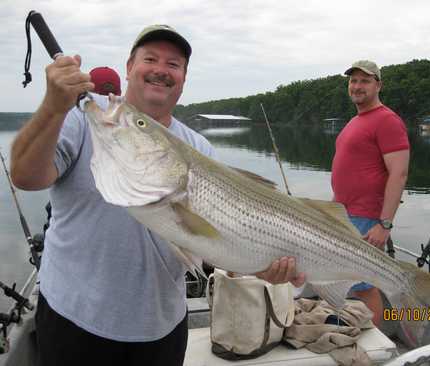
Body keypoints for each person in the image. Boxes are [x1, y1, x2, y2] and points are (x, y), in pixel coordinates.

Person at [10, 24, 304, 366]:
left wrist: (260, 266)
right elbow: (25, 176)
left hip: (161, 328)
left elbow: (211, 242)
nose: (161, 70)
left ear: (183, 78)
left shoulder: (199, 148)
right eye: (150, 58)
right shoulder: (86, 119)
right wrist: (52, 106)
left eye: (174, 64)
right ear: (129, 68)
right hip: (75, 320)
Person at [331, 60, 410, 326]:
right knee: (350, 281)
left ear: (379, 85)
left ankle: (374, 344)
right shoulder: (356, 120)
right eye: (353, 81)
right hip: (344, 215)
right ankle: (354, 330)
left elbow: (399, 174)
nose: (357, 86)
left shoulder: (387, 120)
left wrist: (384, 224)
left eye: (365, 80)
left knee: (365, 285)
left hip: (367, 218)